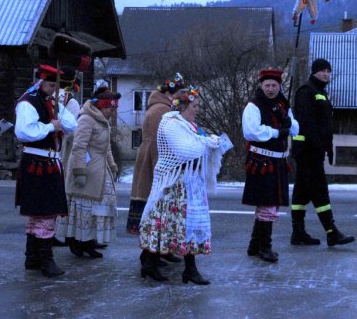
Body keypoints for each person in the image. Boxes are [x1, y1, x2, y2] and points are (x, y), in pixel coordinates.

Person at [139, 87, 228, 284]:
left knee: (183, 225)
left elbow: (197, 142)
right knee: (175, 224)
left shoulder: (189, 125)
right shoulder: (170, 123)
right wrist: (208, 143)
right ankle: (159, 265)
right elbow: (184, 149)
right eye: (194, 106)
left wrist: (210, 142)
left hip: (189, 183)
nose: (197, 109)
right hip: (174, 184)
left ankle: (169, 266)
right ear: (184, 106)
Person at [15, 64, 77, 278]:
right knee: (44, 213)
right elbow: (24, 132)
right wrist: (51, 126)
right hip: (37, 162)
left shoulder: (50, 101)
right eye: (51, 85)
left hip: (50, 162)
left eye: (55, 86)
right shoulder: (28, 103)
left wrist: (59, 106)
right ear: (40, 82)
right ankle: (45, 261)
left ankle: (32, 258)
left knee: (40, 213)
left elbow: (71, 126)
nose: (53, 89)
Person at [291, 58, 355, 247]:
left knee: (301, 194)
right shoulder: (306, 91)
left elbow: (325, 125)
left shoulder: (321, 93)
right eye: (322, 71)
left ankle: (298, 233)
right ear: (314, 72)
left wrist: (328, 148)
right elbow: (307, 123)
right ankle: (331, 232)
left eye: (328, 71)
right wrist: (317, 145)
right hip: (307, 151)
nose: (326, 74)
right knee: (320, 191)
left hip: (315, 151)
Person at [127, 73, 186, 268]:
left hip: (151, 160)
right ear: (171, 94)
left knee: (158, 211)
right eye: (179, 93)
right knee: (155, 209)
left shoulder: (161, 108)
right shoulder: (162, 111)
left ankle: (161, 251)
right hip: (154, 164)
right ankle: (150, 255)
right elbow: (160, 145)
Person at [241, 68, 299, 263]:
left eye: (274, 85)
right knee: (267, 204)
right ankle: (265, 246)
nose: (271, 89)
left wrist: (289, 123)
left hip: (278, 160)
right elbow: (251, 132)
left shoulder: (283, 103)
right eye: (267, 85)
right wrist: (276, 132)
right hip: (262, 161)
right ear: (261, 85)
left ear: (279, 85)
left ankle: (254, 245)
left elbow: (295, 129)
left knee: (268, 203)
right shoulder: (254, 105)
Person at [56, 87, 120, 258]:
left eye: (114, 110)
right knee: (83, 209)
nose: (112, 113)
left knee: (96, 210)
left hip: (100, 171)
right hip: (87, 170)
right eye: (110, 109)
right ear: (101, 107)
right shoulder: (87, 119)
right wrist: (79, 171)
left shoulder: (103, 121)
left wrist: (112, 165)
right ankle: (77, 242)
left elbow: (106, 148)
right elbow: (78, 146)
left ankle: (89, 241)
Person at [53, 67, 81, 247]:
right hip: (62, 150)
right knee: (61, 192)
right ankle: (55, 231)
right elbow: (70, 131)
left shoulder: (52, 96)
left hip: (50, 147)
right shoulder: (71, 101)